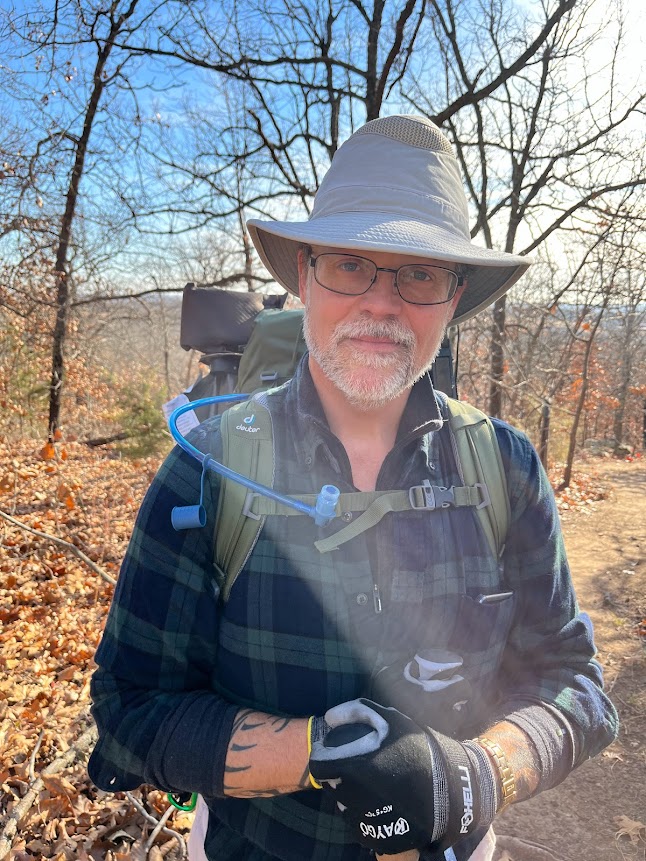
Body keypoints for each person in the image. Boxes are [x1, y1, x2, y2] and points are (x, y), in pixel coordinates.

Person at [88, 115, 618, 861]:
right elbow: (129, 709)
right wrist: (319, 751)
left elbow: (575, 682)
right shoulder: (208, 469)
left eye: (419, 273)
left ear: (454, 296)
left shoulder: (505, 468)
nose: (381, 302)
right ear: (304, 276)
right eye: (349, 264)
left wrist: (474, 776)